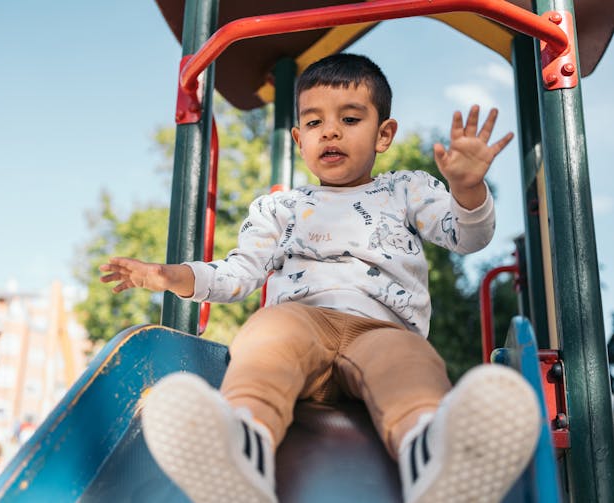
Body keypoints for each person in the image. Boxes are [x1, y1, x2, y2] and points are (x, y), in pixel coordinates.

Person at [100, 53, 541, 503]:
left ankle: (433, 454)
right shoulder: (279, 209)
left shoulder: (406, 189)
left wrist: (466, 190)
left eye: (350, 118)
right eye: (313, 123)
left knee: (411, 362)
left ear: (384, 134)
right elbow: (239, 274)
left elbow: (465, 237)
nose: (329, 131)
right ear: (298, 139)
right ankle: (242, 444)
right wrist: (169, 275)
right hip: (301, 323)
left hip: (382, 328)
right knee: (266, 336)